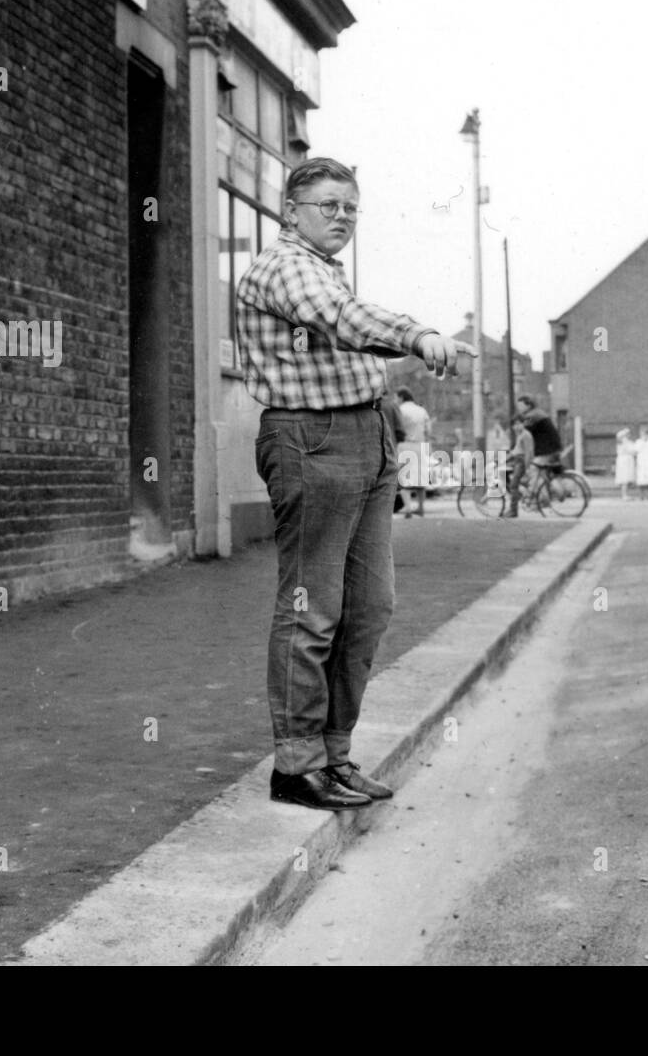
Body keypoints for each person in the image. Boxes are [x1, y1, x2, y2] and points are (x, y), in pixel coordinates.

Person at [236, 157, 475, 811]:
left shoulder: (325, 272)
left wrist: (391, 415)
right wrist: (418, 334)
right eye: (326, 205)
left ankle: (334, 753)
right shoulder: (285, 267)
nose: (341, 216)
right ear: (291, 210)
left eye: (350, 208)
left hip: (367, 438)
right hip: (312, 441)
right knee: (312, 606)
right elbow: (344, 322)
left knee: (369, 604)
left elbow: (349, 352)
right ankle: (296, 764)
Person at [395, 386, 431, 517]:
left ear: (401, 397)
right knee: (421, 478)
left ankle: (408, 508)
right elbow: (428, 430)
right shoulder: (422, 410)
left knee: (404, 478)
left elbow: (396, 428)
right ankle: (421, 507)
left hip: (405, 445)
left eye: (396, 397)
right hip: (420, 446)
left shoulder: (400, 410)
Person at [515, 394, 562, 466]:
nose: (519, 408)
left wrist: (513, 449)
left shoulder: (532, 416)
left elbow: (523, 433)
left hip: (546, 450)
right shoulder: (537, 412)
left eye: (521, 406)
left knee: (531, 469)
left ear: (528, 405)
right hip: (552, 448)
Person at [505, 419, 534, 518]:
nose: (516, 426)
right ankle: (520, 496)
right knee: (507, 476)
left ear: (523, 424)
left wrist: (527, 468)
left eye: (518, 423)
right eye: (514, 424)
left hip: (521, 462)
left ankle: (513, 511)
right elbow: (516, 450)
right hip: (517, 460)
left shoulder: (526, 435)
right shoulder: (520, 435)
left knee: (513, 485)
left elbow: (528, 453)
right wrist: (505, 459)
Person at [614, 427, 637, 502]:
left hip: (627, 461)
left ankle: (625, 494)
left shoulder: (628, 442)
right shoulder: (623, 442)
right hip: (624, 462)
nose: (628, 435)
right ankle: (624, 495)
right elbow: (631, 450)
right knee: (624, 478)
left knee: (627, 478)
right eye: (627, 434)